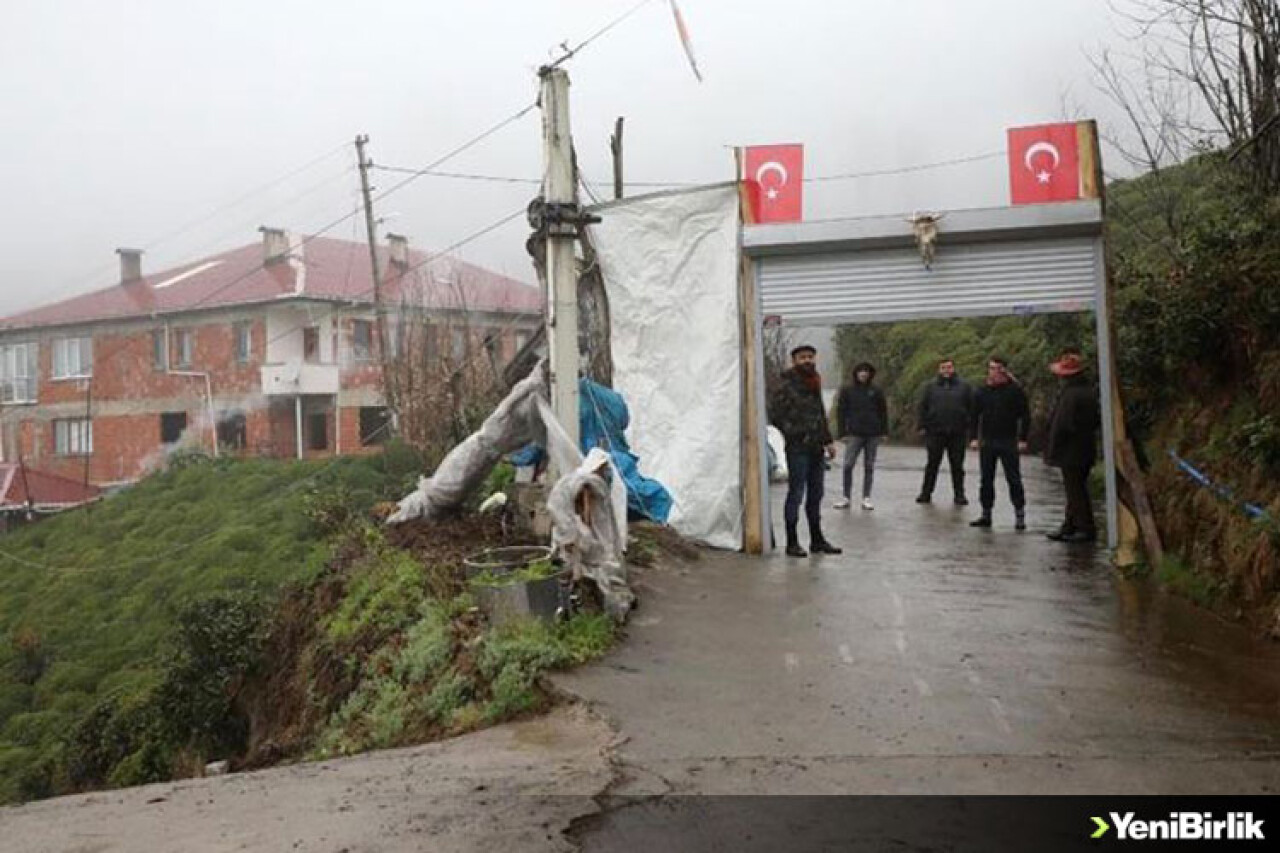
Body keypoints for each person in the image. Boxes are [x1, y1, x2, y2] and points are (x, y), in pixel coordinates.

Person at [768, 344, 842, 557]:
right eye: (803, 357)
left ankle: (817, 540)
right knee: (796, 494)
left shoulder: (815, 381)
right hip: (798, 448)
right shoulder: (785, 384)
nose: (807, 360)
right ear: (794, 361)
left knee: (816, 495)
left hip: (816, 448)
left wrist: (828, 441)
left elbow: (820, 413)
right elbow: (776, 416)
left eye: (810, 357)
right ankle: (792, 542)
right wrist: (797, 434)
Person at [1045, 348, 1100, 543]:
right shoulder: (1085, 391)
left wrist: (1054, 447)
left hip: (1073, 450)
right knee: (1074, 490)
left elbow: (1063, 424)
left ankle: (1085, 528)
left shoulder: (1073, 394)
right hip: (1082, 448)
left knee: (1076, 491)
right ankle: (1070, 525)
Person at [968, 356, 1030, 531]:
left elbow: (1025, 415)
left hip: (1008, 440)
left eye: (995, 368)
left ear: (1003, 370)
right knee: (986, 479)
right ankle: (986, 513)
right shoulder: (982, 391)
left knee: (1014, 479)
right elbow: (974, 415)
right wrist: (973, 437)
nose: (992, 372)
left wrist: (1023, 439)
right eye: (990, 368)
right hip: (988, 440)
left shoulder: (1015, 391)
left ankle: (1019, 515)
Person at [915, 358, 974, 505]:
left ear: (953, 368)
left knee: (957, 466)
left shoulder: (964, 386)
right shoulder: (930, 387)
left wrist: (969, 427)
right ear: (939, 370)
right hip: (935, 431)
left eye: (949, 367)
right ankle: (926, 493)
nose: (946, 370)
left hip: (957, 432)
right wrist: (922, 426)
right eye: (943, 368)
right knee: (932, 464)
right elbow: (923, 407)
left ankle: (959, 494)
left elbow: (972, 408)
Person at [833, 361, 888, 511]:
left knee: (869, 465)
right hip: (854, 433)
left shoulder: (876, 391)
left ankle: (866, 497)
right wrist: (842, 433)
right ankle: (846, 497)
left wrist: (884, 431)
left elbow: (883, 412)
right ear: (856, 373)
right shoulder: (847, 390)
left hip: (873, 433)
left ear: (870, 374)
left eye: (866, 371)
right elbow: (841, 412)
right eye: (860, 371)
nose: (863, 374)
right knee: (848, 465)